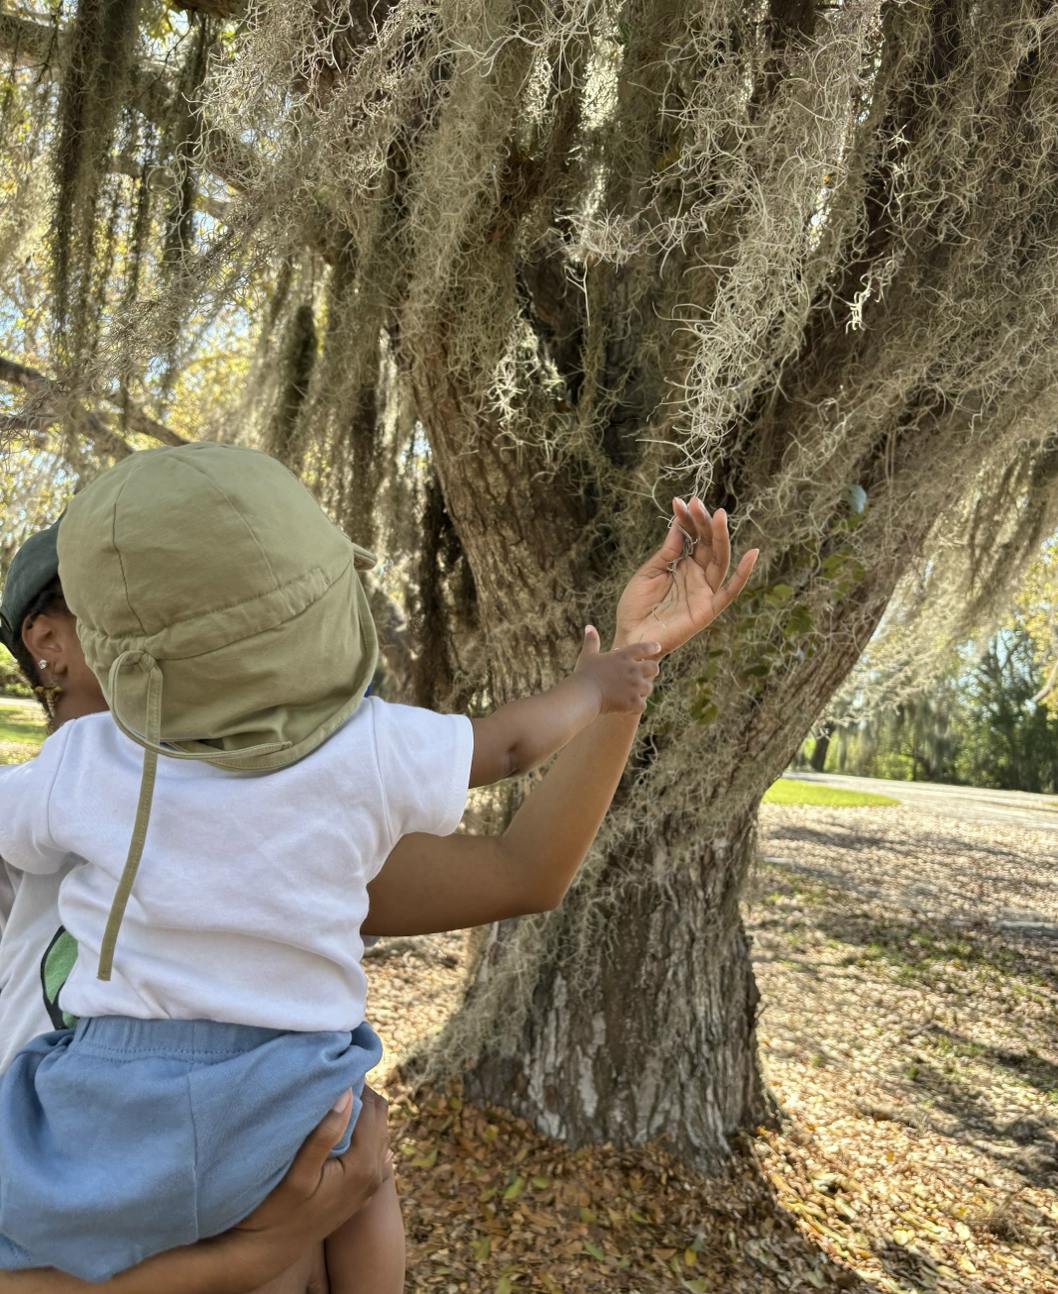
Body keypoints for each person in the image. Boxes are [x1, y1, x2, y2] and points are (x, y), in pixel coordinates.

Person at [0, 487, 757, 1294]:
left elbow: (522, 870)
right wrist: (240, 1260)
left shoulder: (284, 815)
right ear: (52, 640)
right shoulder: (51, 811)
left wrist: (629, 675)